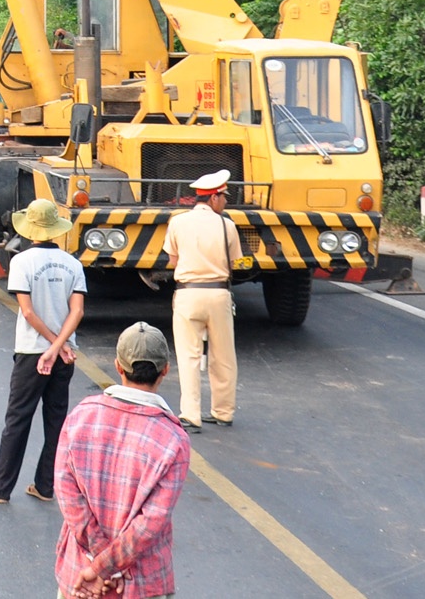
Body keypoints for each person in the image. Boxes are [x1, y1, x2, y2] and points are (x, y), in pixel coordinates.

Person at [53, 324, 190, 599]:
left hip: (80, 576)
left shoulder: (81, 416)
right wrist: (108, 566)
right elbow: (151, 523)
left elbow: (67, 495)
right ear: (165, 369)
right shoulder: (174, 439)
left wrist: (99, 561)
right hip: (139, 584)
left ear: (118, 366)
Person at [0, 200, 87, 506]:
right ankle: (46, 486)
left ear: (30, 228)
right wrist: (60, 346)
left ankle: (0, 489)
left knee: (18, 420)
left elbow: (28, 312)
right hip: (65, 355)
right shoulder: (73, 264)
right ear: (55, 230)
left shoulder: (21, 263)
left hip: (32, 353)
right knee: (56, 420)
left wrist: (49, 347)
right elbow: (77, 311)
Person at [163, 168, 244, 431]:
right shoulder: (227, 225)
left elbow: (172, 260)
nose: (226, 201)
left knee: (188, 356)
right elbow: (234, 262)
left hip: (188, 294)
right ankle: (223, 411)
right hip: (219, 295)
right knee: (224, 356)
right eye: (223, 196)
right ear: (213, 198)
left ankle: (190, 414)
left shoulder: (177, 222)